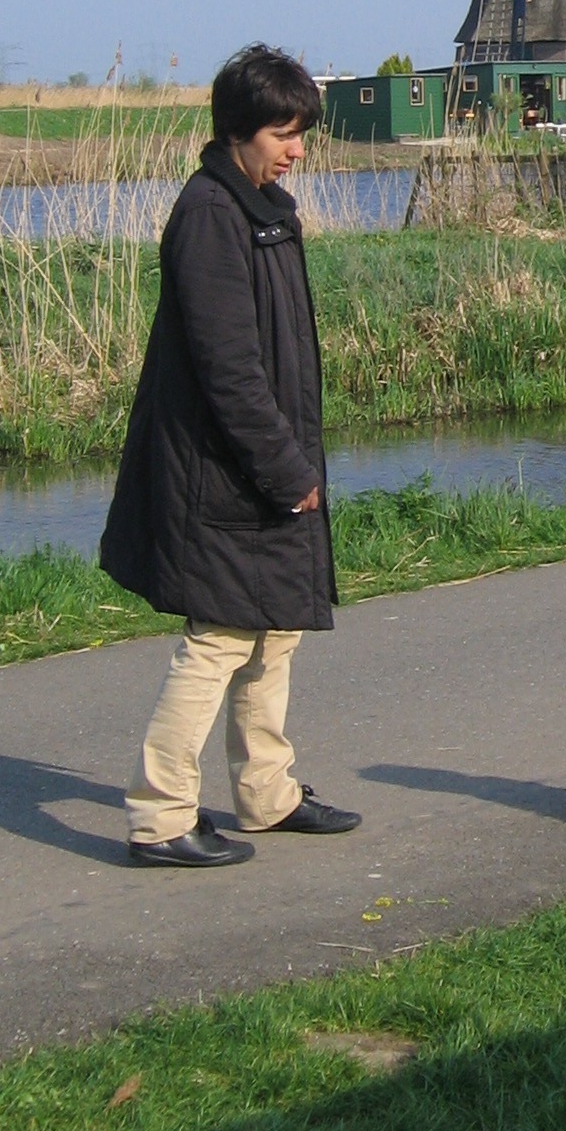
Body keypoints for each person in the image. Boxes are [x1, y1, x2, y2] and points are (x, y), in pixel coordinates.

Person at [100, 43, 361, 866]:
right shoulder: (211, 215)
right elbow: (228, 368)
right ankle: (160, 817)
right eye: (283, 134)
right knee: (217, 640)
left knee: (273, 632)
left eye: (301, 134)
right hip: (222, 472)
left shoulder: (263, 207)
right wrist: (284, 469)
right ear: (238, 131)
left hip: (259, 463)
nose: (297, 150)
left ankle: (266, 793)